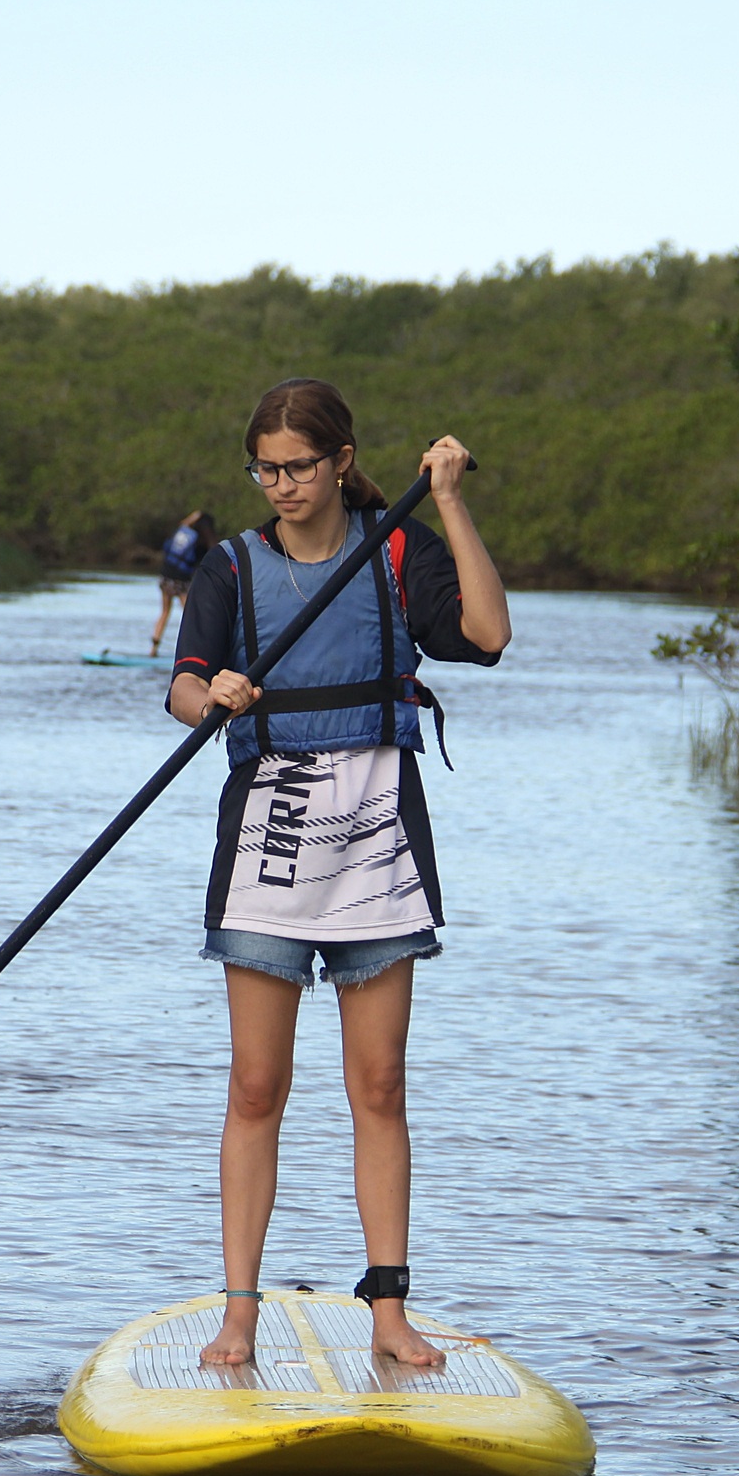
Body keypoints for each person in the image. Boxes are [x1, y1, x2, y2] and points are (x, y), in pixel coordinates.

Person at [166, 378, 510, 1370]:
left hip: (375, 836)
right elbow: (182, 689)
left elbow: (488, 635)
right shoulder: (231, 566)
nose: (282, 484)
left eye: (299, 466)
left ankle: (389, 1314)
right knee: (256, 1084)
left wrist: (450, 500)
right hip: (270, 837)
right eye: (265, 469)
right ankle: (239, 1313)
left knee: (380, 1084)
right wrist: (213, 695)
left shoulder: (397, 549)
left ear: (342, 461)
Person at [151, 509, 216, 656]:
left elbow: (183, 523)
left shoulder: (183, 532)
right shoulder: (202, 542)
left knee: (164, 612)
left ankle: (153, 649)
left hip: (165, 577)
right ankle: (194, 650)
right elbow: (212, 552)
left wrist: (195, 516)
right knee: (190, 615)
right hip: (181, 582)